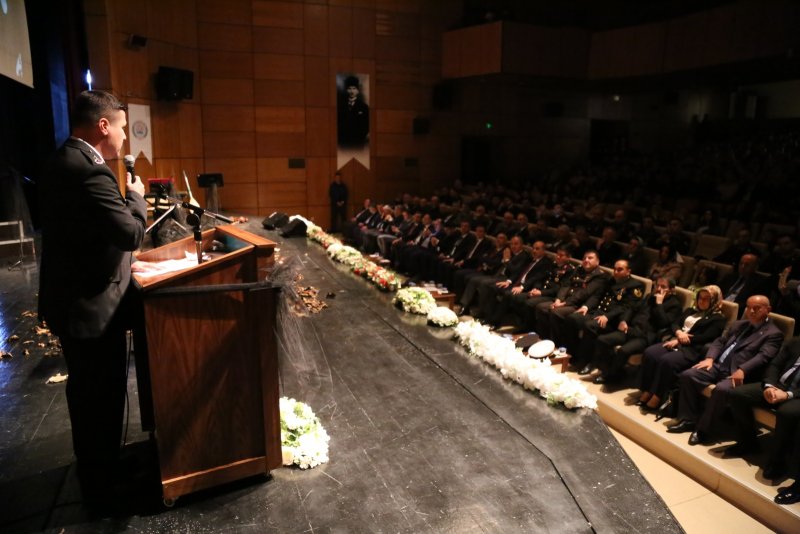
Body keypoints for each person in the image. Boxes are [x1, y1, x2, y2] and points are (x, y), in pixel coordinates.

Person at [38, 90, 148, 506]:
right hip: (88, 308)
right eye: (121, 127)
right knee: (98, 397)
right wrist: (135, 197)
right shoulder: (89, 171)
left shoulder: (63, 159)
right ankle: (103, 488)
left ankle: (104, 468)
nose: (124, 136)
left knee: (91, 395)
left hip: (73, 301)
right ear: (104, 126)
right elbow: (130, 233)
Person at [667, 295, 783, 446]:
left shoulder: (773, 333)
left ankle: (703, 430)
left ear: (768, 310)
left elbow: (763, 357)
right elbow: (719, 341)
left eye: (756, 308)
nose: (751, 311)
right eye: (748, 307)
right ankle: (688, 419)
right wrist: (710, 358)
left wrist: (743, 370)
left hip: (739, 374)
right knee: (688, 375)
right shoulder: (740, 325)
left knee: (722, 390)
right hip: (718, 365)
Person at [637, 285, 726, 412]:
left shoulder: (718, 318)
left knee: (667, 361)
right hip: (675, 340)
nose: (701, 301)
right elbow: (675, 323)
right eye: (700, 297)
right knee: (650, 353)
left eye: (706, 299)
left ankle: (657, 395)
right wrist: (679, 333)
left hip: (692, 349)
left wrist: (680, 340)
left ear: (714, 300)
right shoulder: (690, 310)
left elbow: (708, 336)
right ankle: (646, 389)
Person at [726, 337, 800, 485]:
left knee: (786, 412)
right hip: (778, 385)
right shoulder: (796, 342)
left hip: (797, 395)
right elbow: (775, 365)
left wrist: (788, 395)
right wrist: (769, 386)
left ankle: (778, 461)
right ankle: (748, 443)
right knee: (737, 394)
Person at [592, 277, 684, 385]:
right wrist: (624, 321)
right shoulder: (649, 296)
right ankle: (608, 370)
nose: (659, 289)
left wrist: (659, 304)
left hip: (645, 336)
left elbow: (664, 323)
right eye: (657, 285)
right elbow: (632, 308)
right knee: (602, 340)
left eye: (663, 287)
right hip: (631, 329)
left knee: (623, 351)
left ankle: (610, 376)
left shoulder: (674, 305)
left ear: (672, 290)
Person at [337, 75, 369, 148]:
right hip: (343, 143)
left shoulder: (364, 107)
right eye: (349, 89)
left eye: (354, 88)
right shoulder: (340, 106)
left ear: (357, 90)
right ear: (346, 90)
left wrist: (359, 138)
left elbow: (366, 126)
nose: (351, 91)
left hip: (358, 143)